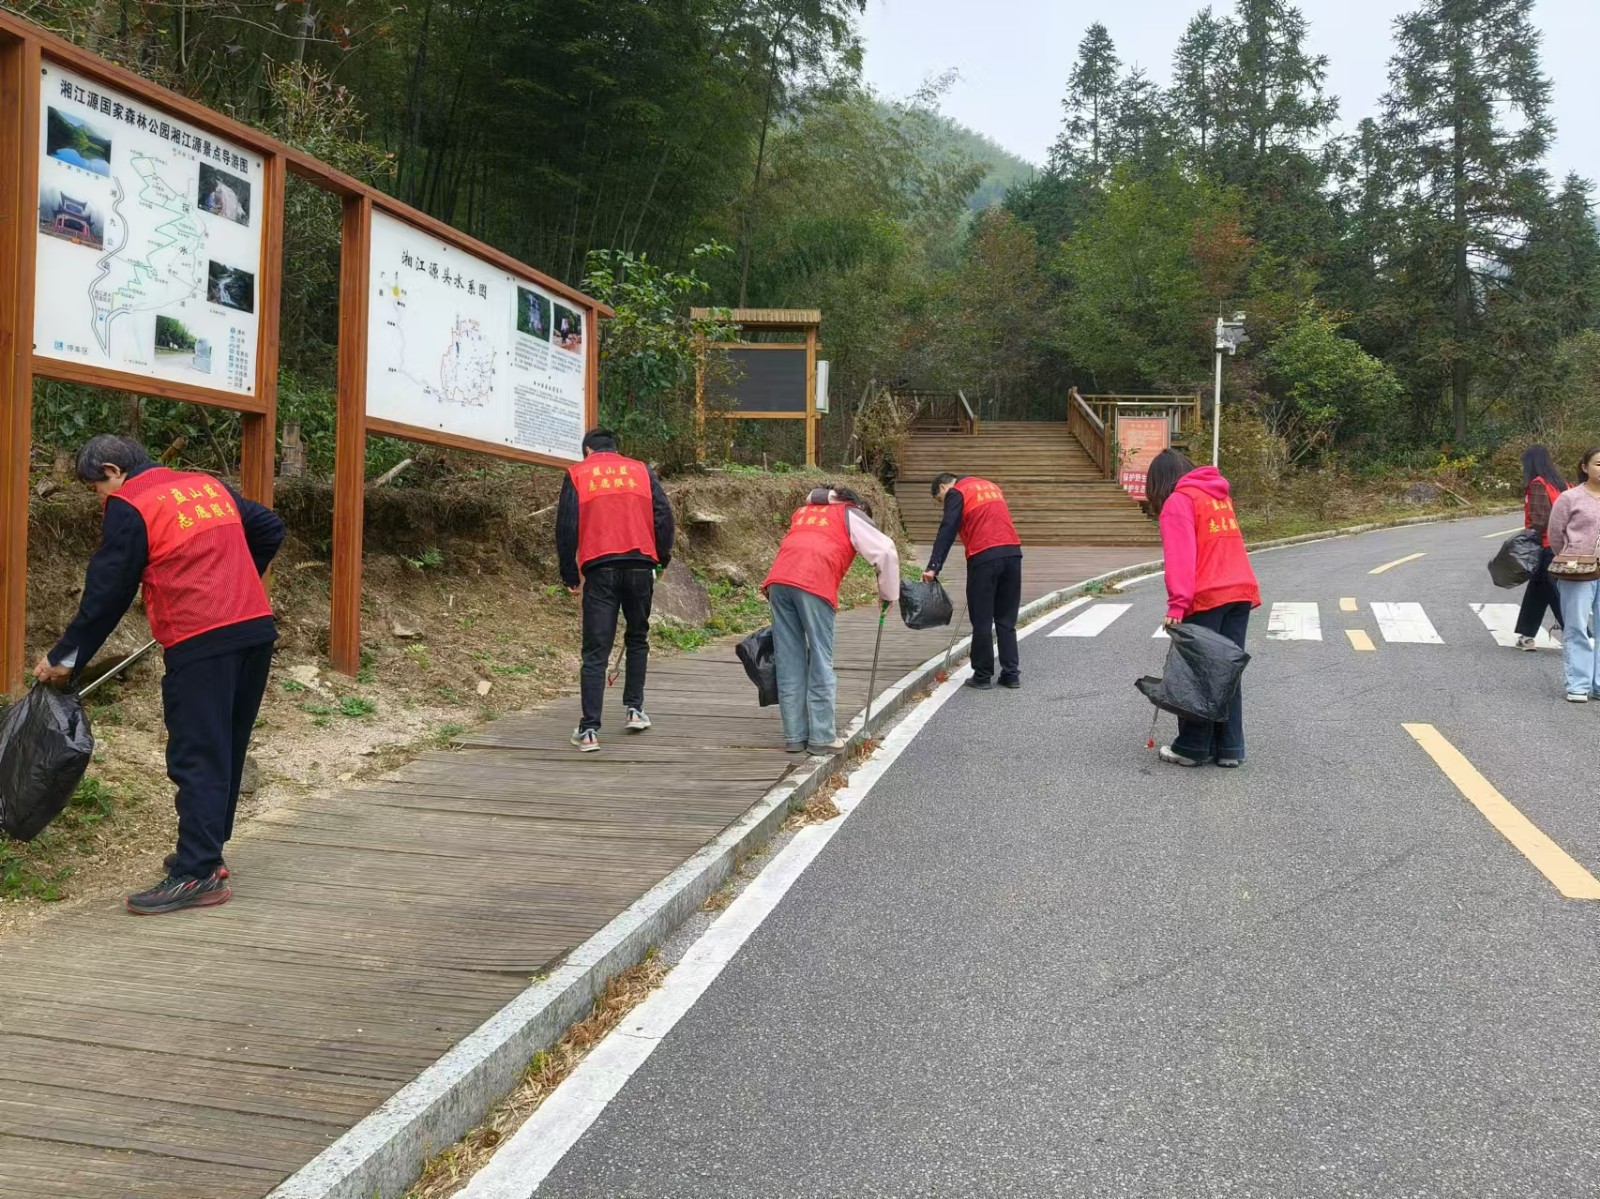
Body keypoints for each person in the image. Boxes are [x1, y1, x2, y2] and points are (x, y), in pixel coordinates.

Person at [34, 435, 284, 914]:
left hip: (201, 637)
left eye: (95, 489)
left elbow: (107, 592)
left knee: (197, 751)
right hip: (254, 630)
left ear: (111, 471)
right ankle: (204, 851)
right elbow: (270, 528)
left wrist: (66, 656)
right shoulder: (205, 486)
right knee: (226, 745)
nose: (100, 500)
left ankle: (197, 873)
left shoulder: (132, 503)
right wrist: (237, 578)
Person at [556, 428, 675, 752]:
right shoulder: (640, 470)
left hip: (600, 568)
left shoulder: (578, 473)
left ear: (588, 451)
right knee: (637, 638)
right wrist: (661, 557)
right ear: (615, 449)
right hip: (640, 565)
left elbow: (567, 525)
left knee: (596, 651)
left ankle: (590, 730)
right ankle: (635, 710)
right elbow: (663, 515)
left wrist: (569, 573)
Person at [762, 486, 900, 754]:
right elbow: (884, 551)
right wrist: (888, 594)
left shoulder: (804, 512)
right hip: (813, 584)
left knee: (789, 660)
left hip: (778, 582)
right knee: (821, 659)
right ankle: (822, 736)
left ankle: (794, 736)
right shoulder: (851, 513)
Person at [1147, 449, 1261, 767]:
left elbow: (1181, 557)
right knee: (1226, 671)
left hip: (1207, 594)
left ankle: (1193, 747)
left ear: (1160, 481)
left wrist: (1177, 604)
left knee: (1197, 673)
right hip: (1239, 590)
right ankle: (1229, 748)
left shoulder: (1179, 502)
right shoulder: (1217, 497)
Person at [923, 472, 1024, 690]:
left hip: (984, 557)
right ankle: (1011, 674)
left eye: (940, 500)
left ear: (943, 487)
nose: (944, 504)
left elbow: (948, 528)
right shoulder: (991, 485)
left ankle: (983, 675)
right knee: (1006, 620)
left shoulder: (956, 492)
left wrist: (933, 566)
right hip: (1013, 553)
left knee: (982, 620)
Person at [1547, 446, 1600, 702]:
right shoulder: (1570, 498)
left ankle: (1599, 684)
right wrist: (1573, 556)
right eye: (1598, 464)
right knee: (1577, 626)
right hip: (1578, 571)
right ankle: (1578, 684)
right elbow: (1555, 535)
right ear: (1585, 467)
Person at [1515, 445, 1566, 650]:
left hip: (1545, 546)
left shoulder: (1537, 484)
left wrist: (1525, 538)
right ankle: (1526, 635)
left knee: (1555, 593)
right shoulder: (1562, 484)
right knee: (1537, 590)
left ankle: (1581, 636)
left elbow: (1540, 519)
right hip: (1561, 545)